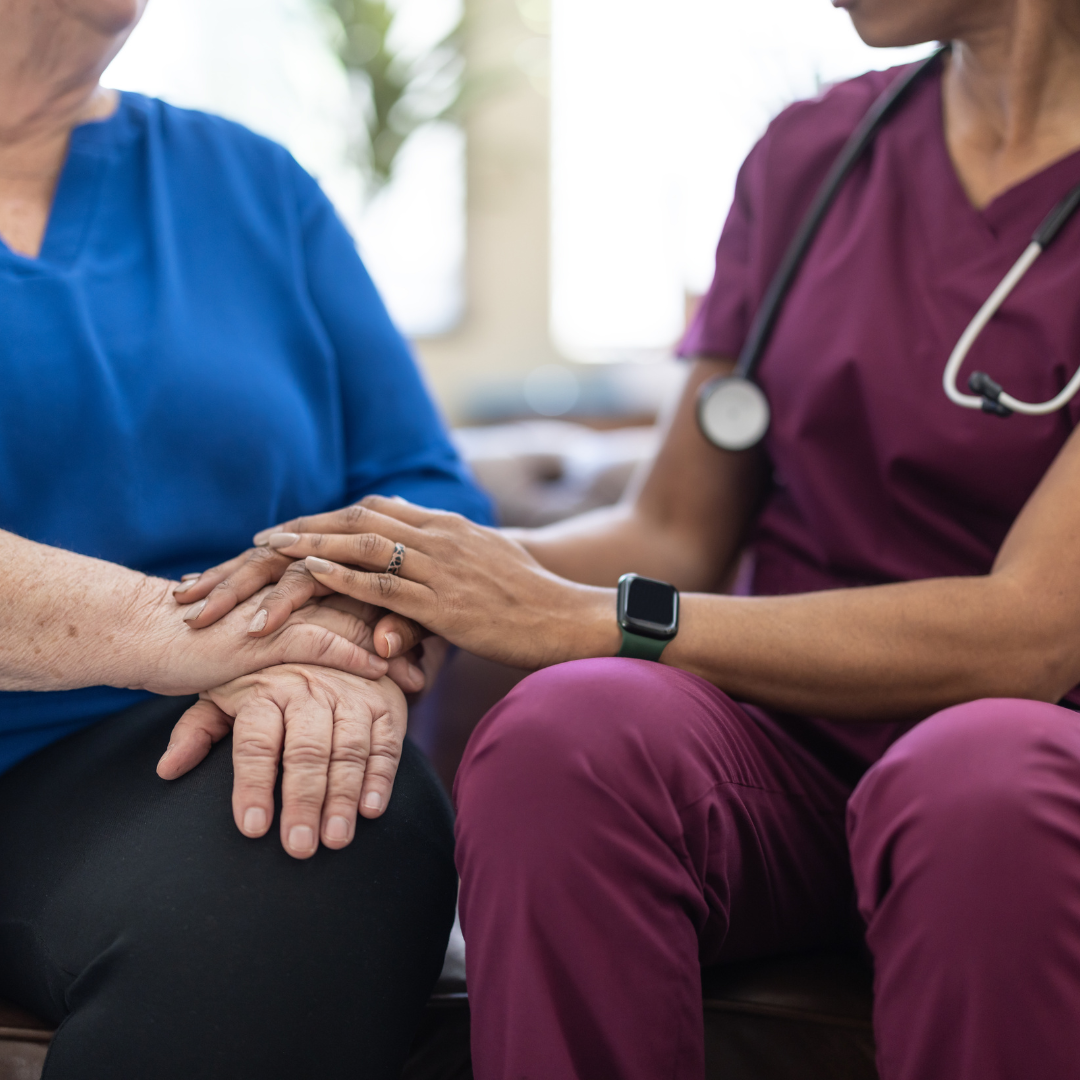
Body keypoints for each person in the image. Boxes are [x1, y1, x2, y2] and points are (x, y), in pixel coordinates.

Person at [187, 0, 1080, 1077]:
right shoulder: (814, 158)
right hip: (787, 756)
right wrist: (397, 573)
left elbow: (1033, 635)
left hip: (1027, 760)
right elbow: (675, 529)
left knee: (973, 783)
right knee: (567, 731)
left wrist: (593, 618)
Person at [0, 1, 492, 1077]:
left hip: (172, 760)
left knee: (328, 825)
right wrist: (194, 632)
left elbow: (421, 487)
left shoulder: (253, 186)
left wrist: (345, 645)